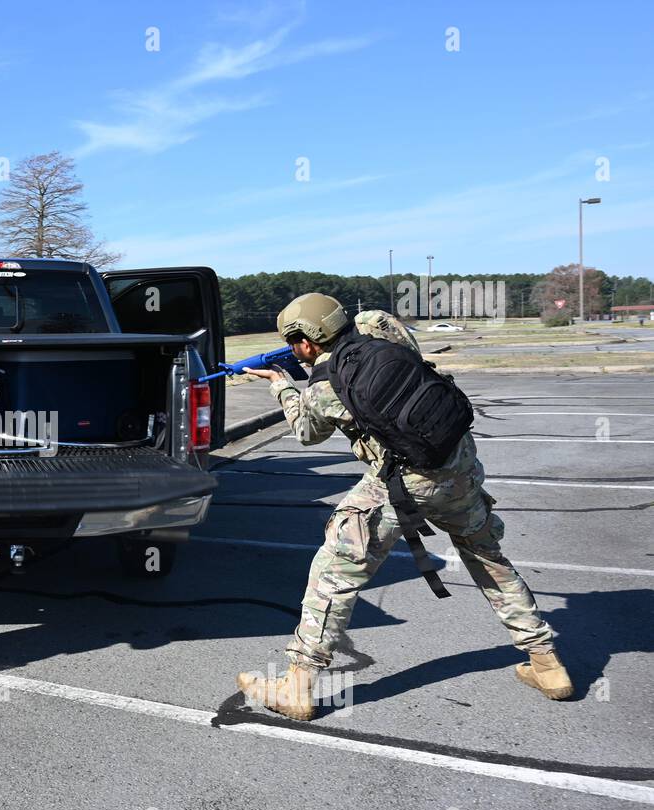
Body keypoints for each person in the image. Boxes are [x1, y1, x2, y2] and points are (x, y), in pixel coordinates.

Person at [236, 293, 572, 720]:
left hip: (402, 483)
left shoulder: (322, 389)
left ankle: (296, 685)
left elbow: (307, 432)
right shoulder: (381, 327)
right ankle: (546, 663)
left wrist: (283, 386)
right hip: (459, 466)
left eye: (296, 341)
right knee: (489, 559)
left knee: (333, 574)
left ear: (304, 342)